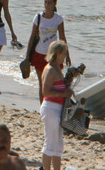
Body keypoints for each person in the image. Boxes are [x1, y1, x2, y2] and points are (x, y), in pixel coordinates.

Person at [25, 0, 67, 99]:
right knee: (42, 84)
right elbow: (32, 36)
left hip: (54, 56)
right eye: (45, 2)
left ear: (55, 4)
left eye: (50, 3)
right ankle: (42, 108)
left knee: (55, 83)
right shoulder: (38, 17)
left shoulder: (58, 19)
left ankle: (52, 105)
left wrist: (67, 55)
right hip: (39, 53)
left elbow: (62, 37)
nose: (47, 5)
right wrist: (27, 56)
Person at [39, 41, 72, 170]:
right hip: (50, 108)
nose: (65, 56)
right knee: (50, 144)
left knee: (58, 145)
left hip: (57, 108)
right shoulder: (50, 69)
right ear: (57, 54)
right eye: (64, 53)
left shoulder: (58, 68)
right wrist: (63, 93)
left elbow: (59, 87)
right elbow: (45, 91)